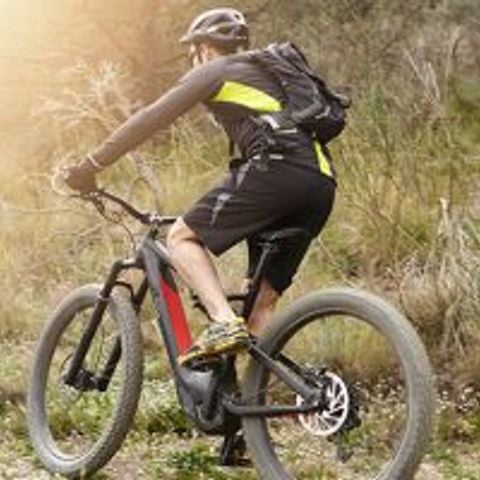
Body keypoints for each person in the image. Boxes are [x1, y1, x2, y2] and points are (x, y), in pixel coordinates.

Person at [64, 7, 336, 365]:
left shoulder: (216, 69)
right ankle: (255, 394)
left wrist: (91, 166)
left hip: (277, 169)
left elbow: (149, 119)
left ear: (203, 49)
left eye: (192, 52)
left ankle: (223, 322)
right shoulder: (265, 74)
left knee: (181, 237)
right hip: (320, 182)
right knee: (260, 301)